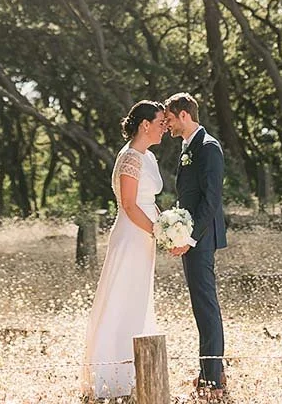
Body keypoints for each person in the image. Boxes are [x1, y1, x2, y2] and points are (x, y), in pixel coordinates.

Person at [82, 100, 165, 399]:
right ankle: (113, 374)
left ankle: (136, 370)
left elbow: (148, 201)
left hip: (145, 234)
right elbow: (129, 205)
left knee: (139, 297)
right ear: (145, 125)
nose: (164, 127)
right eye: (160, 123)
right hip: (132, 234)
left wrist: (165, 224)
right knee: (123, 297)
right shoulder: (130, 157)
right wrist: (157, 229)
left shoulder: (148, 158)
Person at [164, 92, 227, 399]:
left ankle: (213, 379)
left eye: (171, 118)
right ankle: (211, 371)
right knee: (200, 305)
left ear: (185, 115)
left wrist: (189, 238)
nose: (168, 124)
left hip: (200, 238)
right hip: (191, 237)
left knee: (205, 305)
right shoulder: (187, 146)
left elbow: (211, 199)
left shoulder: (208, 147)